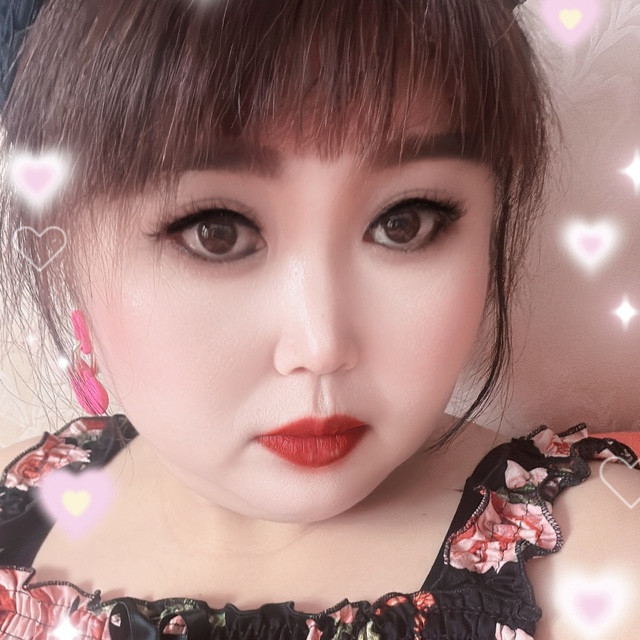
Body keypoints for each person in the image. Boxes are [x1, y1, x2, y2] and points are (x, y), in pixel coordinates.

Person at [0, 0, 638, 638]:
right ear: (59, 250)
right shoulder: (15, 504)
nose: (321, 345)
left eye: (404, 223)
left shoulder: (602, 570)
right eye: (216, 232)